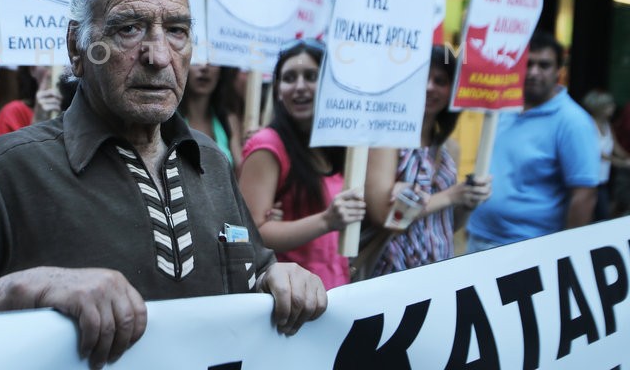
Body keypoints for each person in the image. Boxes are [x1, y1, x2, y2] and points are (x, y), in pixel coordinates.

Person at [0, 0, 327, 370]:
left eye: (178, 31)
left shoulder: (210, 161)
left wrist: (277, 276)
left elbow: (254, 273)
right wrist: (26, 289)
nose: (159, 55)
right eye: (128, 28)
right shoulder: (6, 169)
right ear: (77, 47)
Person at [237, 39, 366, 289]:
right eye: (289, 78)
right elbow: (252, 234)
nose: (299, 87)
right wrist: (327, 221)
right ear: (277, 90)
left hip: (336, 291)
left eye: (310, 76)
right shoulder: (267, 145)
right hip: (290, 297)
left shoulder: (340, 146)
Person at [358, 45, 491, 278]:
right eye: (422, 79)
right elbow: (384, 216)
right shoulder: (387, 140)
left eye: (440, 81)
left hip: (438, 273)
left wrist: (468, 202)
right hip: (393, 273)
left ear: (451, 90)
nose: (429, 88)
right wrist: (451, 196)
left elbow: (447, 224)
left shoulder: (449, 149)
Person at [466, 30, 599, 252]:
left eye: (544, 65)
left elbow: (584, 194)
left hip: (528, 249)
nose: (533, 72)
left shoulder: (573, 121)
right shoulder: (503, 108)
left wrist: (567, 254)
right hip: (478, 237)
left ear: (559, 70)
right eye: (527, 64)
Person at [178, 64, 242, 170]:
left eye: (212, 61)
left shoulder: (229, 120)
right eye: (197, 59)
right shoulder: (168, 119)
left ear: (221, 71)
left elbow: (240, 172)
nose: (204, 67)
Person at [581, 89, 630, 221]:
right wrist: (621, 163)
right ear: (600, 108)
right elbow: (598, 153)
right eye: (609, 105)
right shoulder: (588, 125)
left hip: (602, 180)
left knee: (602, 215)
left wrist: (626, 157)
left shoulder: (608, 125)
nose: (613, 107)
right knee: (598, 216)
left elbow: (616, 148)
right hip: (590, 181)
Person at [0, 66, 69, 138]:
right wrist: (38, 122)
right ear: (32, 69)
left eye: (63, 64)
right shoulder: (14, 113)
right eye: (46, 64)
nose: (53, 72)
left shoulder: (78, 110)